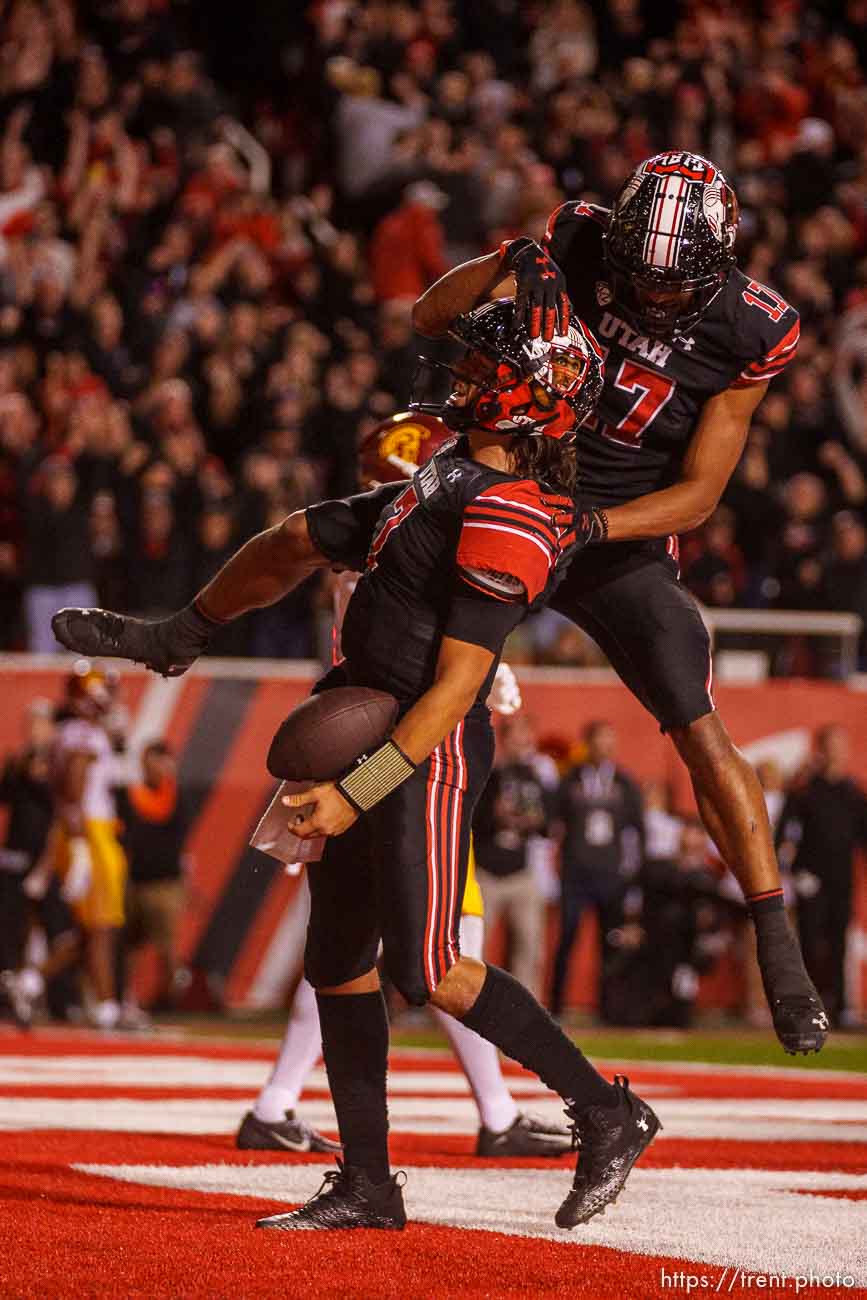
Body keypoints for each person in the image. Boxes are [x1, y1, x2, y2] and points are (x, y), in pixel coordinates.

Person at [53, 299, 662, 1232]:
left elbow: (456, 689)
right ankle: (368, 1183)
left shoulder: (509, 509)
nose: (461, 375)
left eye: (481, 366)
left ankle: (605, 1109)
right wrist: (182, 631)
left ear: (525, 396)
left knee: (429, 965)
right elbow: (299, 537)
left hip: (428, 744)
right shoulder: (448, 475)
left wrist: (353, 790)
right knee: (335, 959)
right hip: (374, 714)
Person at [412, 149, 828, 1055]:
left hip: (619, 531)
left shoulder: (751, 329)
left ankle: (776, 939)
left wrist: (591, 531)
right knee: (397, 639)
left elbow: (699, 497)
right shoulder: (580, 237)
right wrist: (509, 260)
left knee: (695, 718)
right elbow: (428, 316)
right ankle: (195, 633)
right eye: (636, 277)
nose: (650, 298)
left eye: (670, 287)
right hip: (515, 489)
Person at [238, 415, 570, 1159]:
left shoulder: (385, 536)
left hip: (387, 753)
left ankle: (289, 1102)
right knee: (430, 951)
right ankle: (550, 1108)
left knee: (357, 950)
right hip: (403, 759)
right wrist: (484, 673)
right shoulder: (404, 546)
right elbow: (420, 668)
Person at [48, 662, 128, 1029]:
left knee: (89, 929)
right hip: (91, 833)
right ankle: (108, 1006)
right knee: (101, 927)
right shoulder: (82, 735)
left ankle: (31, 980)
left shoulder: (72, 731)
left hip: (90, 831)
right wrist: (80, 845)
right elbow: (75, 788)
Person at [550, 721, 643, 1020]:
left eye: (610, 740)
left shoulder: (626, 784)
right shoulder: (570, 780)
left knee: (611, 943)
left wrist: (631, 877)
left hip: (611, 875)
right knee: (567, 938)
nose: (606, 746)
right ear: (588, 744)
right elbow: (553, 825)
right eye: (600, 740)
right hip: (575, 873)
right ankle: (556, 1006)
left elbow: (636, 833)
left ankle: (610, 1009)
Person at [778, 726, 867, 1027]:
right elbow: (785, 833)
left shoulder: (853, 792)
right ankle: (810, 1008)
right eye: (831, 745)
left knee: (840, 943)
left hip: (841, 880)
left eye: (841, 745)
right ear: (821, 749)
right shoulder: (805, 790)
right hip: (810, 880)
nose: (836, 752)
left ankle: (842, 1009)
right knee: (811, 944)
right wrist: (794, 871)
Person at [473, 714, 553, 1001]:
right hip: (487, 872)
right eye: (517, 737)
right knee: (472, 945)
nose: (523, 744)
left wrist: (536, 821)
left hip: (521, 872)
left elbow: (548, 827)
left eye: (526, 737)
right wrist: (494, 815)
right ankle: (468, 1006)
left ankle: (527, 1012)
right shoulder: (488, 776)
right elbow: (471, 821)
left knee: (530, 948)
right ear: (504, 741)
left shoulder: (535, 777)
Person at [116, 740, 189, 1019]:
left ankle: (170, 1001)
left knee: (168, 948)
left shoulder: (175, 796)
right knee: (129, 945)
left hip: (165, 883)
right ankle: (127, 999)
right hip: (135, 880)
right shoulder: (130, 795)